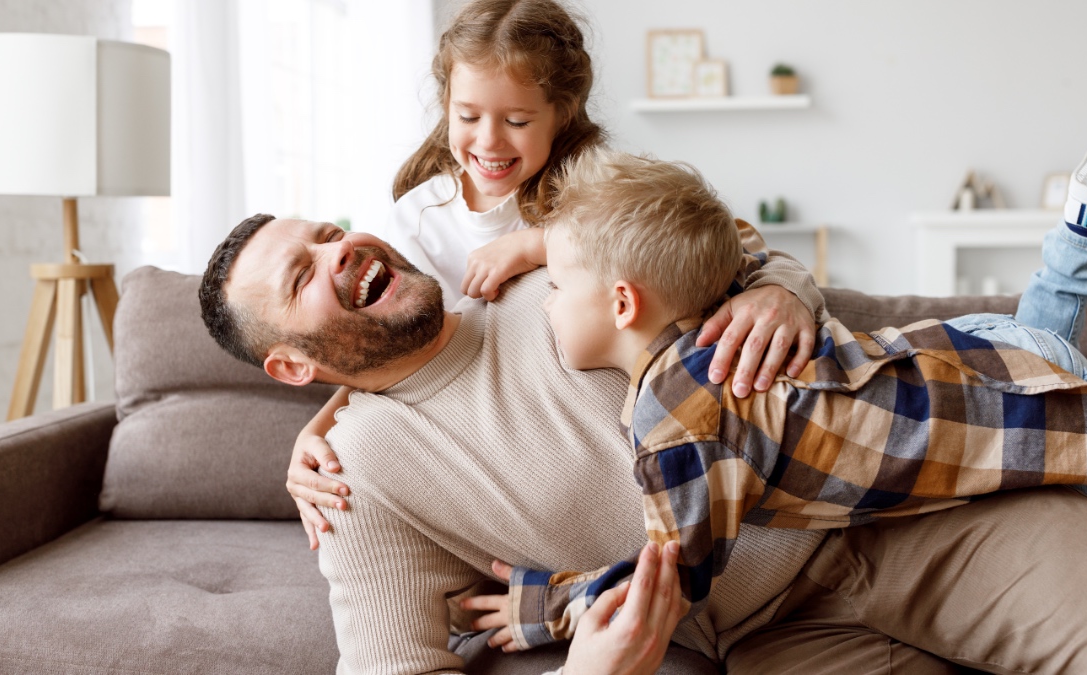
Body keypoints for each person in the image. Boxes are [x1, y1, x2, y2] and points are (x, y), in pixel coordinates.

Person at [199, 213, 1087, 672]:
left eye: (329, 231)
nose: (341, 252)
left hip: (905, 510)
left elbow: (736, 241)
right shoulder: (355, 476)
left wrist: (781, 286)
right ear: (291, 367)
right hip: (775, 642)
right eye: (304, 276)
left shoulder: (555, 273)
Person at [451, 147, 1087, 651]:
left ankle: (1082, 239)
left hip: (1015, 395)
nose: (545, 308)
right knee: (1039, 347)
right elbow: (716, 236)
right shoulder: (713, 322)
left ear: (620, 301)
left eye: (554, 289)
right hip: (984, 353)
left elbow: (674, 580)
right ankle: (1081, 231)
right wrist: (537, 245)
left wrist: (554, 605)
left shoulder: (679, 421)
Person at [288, 0, 824, 551]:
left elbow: (725, 245)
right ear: (445, 104)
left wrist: (539, 243)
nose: (489, 142)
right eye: (468, 116)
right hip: (501, 446)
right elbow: (385, 353)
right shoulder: (417, 220)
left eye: (517, 121)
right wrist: (317, 429)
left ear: (562, 113)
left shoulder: (594, 189)